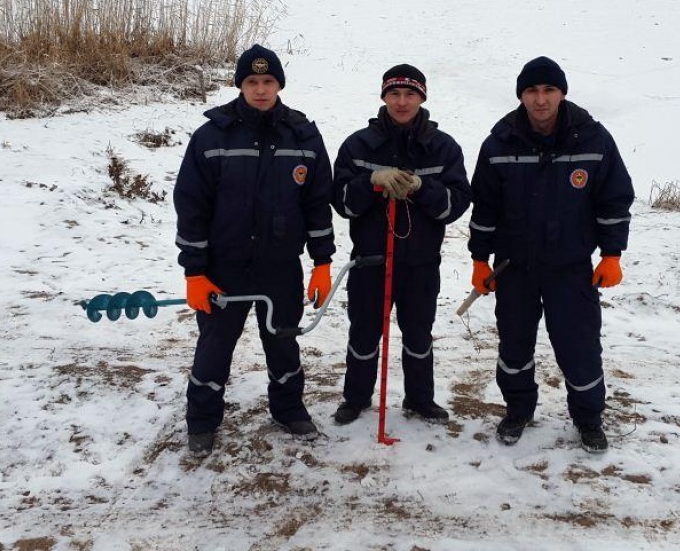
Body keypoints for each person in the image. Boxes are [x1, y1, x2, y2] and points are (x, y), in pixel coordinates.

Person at [174, 44, 335, 457]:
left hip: (280, 267)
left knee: (283, 343)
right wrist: (195, 271)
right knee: (214, 348)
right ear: (240, 85)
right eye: (251, 82)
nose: (260, 90)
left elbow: (316, 204)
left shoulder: (303, 136)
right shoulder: (212, 136)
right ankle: (202, 420)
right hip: (223, 268)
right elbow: (191, 206)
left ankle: (289, 409)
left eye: (268, 81)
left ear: (279, 84)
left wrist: (321, 263)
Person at [467, 56, 633, 452]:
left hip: (570, 267)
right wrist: (479, 259)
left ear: (562, 93)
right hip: (514, 268)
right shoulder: (499, 143)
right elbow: (485, 208)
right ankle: (518, 409)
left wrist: (612, 254)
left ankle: (589, 418)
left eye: (548, 90)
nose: (540, 100)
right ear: (521, 95)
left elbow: (613, 199)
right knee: (514, 346)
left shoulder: (593, 140)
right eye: (531, 91)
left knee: (579, 347)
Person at [331, 64, 472, 425]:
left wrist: (424, 189)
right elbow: (341, 202)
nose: (402, 101)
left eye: (410, 94)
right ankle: (356, 397)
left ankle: (420, 399)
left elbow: (456, 205)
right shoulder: (358, 145)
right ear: (384, 97)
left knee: (418, 333)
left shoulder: (442, 148)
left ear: (422, 97)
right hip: (370, 260)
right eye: (394, 93)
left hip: (421, 262)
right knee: (363, 332)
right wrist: (371, 182)